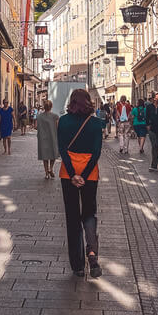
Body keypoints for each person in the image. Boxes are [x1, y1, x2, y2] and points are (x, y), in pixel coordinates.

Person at [58, 89, 104, 278]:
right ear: (88, 102)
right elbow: (96, 152)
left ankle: (77, 264)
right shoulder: (95, 123)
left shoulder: (63, 121)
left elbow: (61, 149)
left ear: (71, 102)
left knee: (72, 216)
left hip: (67, 173)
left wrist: (72, 174)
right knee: (89, 212)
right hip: (90, 173)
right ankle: (92, 253)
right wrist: (84, 174)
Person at [37, 100, 59, 179]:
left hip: (42, 138)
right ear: (51, 106)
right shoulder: (55, 116)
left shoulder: (39, 116)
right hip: (53, 137)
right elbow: (57, 127)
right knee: (53, 154)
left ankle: (46, 173)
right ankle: (51, 168)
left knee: (45, 156)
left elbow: (37, 127)